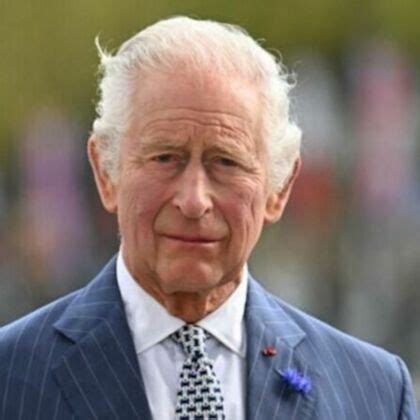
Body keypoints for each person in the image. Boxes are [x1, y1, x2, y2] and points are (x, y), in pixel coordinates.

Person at [0, 16, 417, 420]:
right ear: (106, 172)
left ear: (280, 188)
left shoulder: (375, 393)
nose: (194, 200)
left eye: (226, 162)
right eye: (165, 158)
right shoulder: (12, 378)